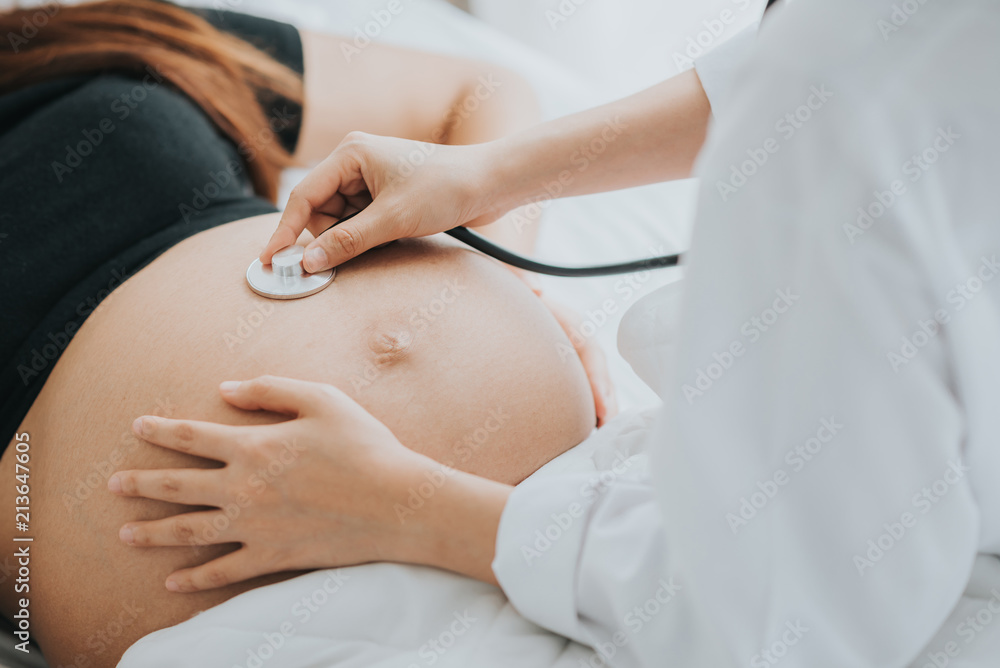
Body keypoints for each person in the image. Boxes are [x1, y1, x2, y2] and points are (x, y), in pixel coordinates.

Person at [115, 0, 1000, 666]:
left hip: (563, 556)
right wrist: (490, 178)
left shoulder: (106, 43)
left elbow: (783, 623)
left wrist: (405, 506)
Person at [0, 1, 607, 665]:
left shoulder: (83, 38)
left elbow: (481, 95)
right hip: (242, 621)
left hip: (555, 498)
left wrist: (496, 273)